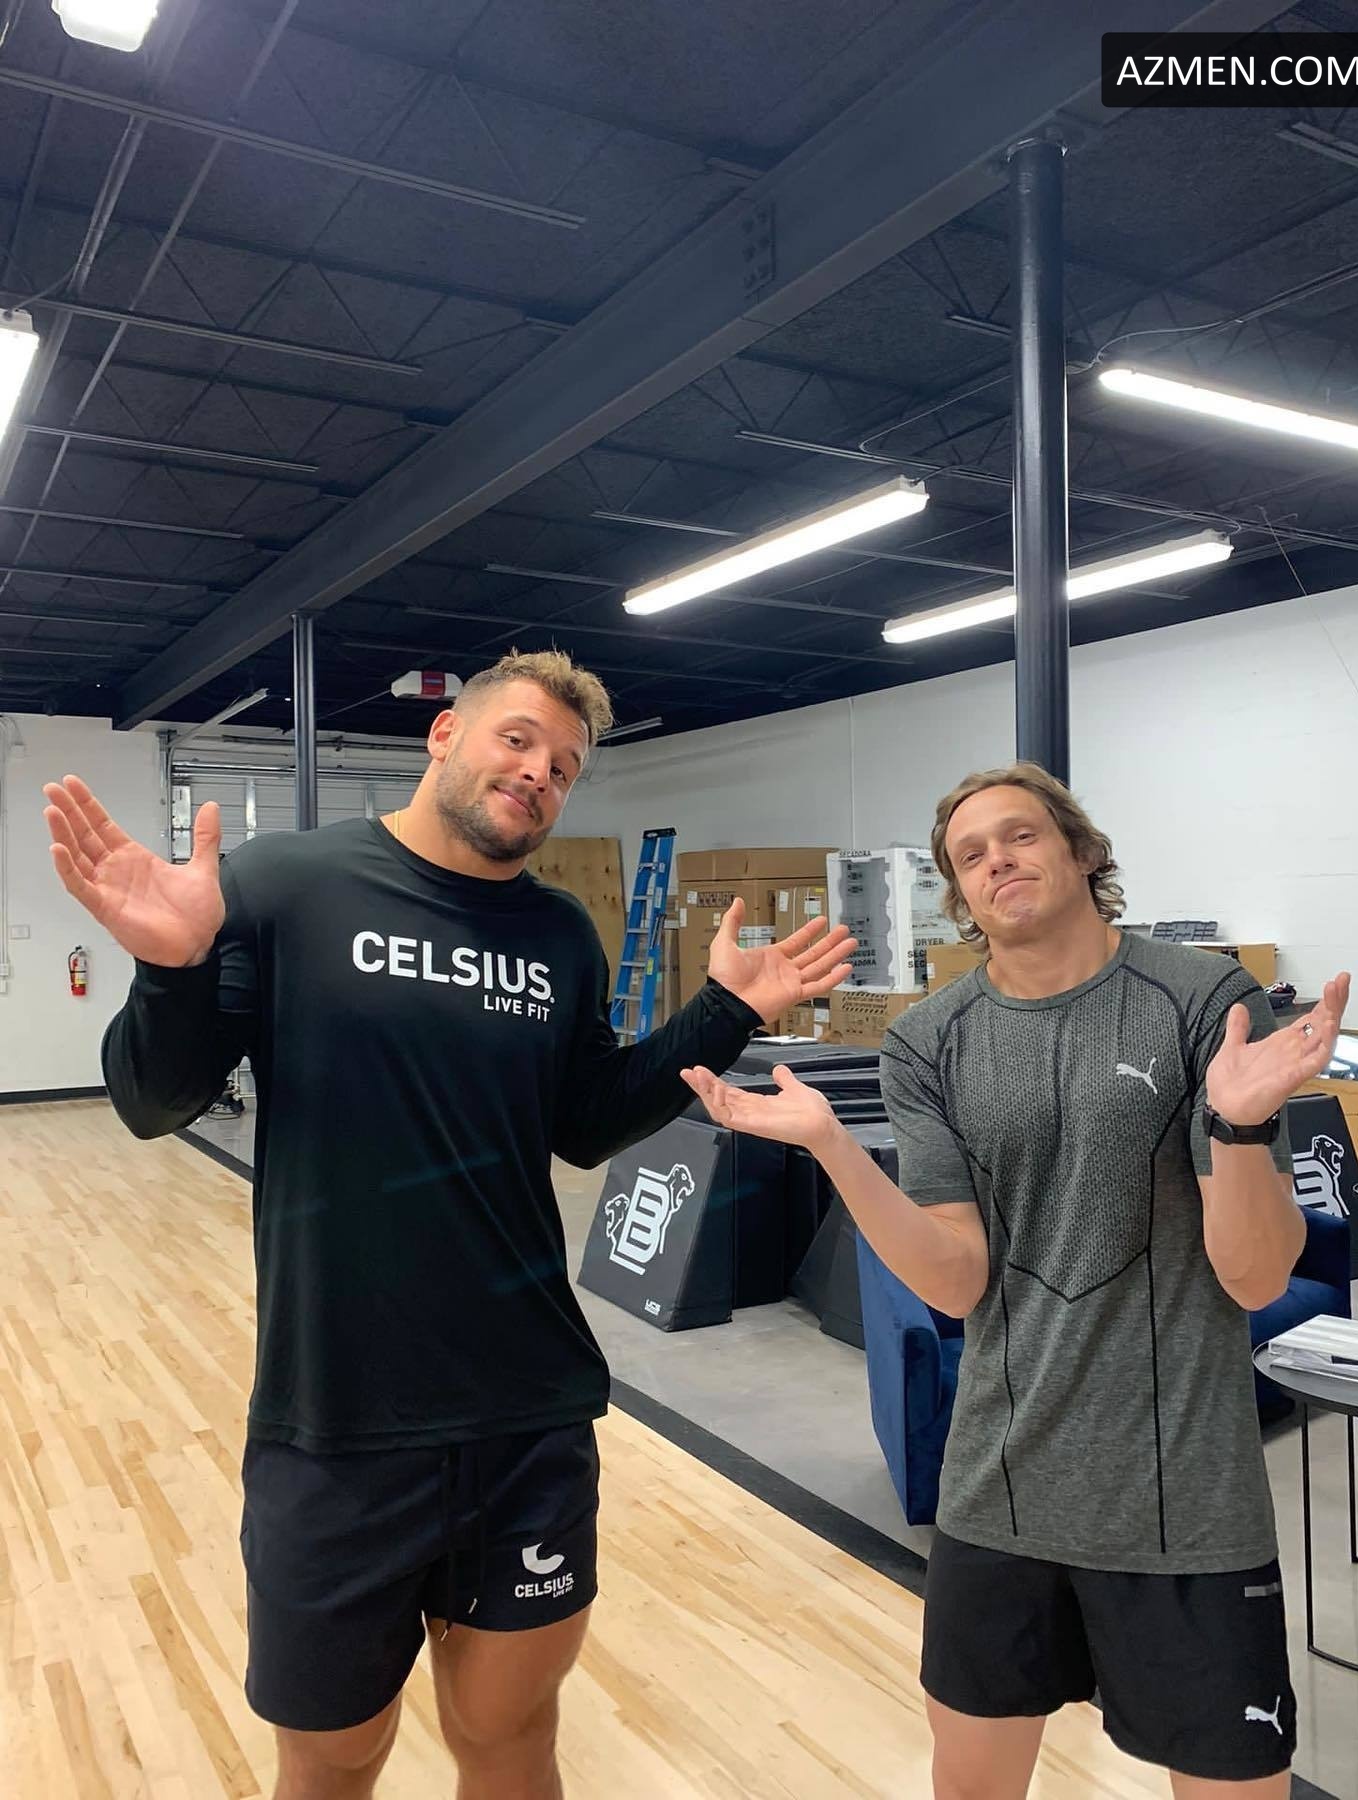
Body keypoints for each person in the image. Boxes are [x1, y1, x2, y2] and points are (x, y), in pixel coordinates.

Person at [44, 649, 855, 1800]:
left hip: (529, 1421)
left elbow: (584, 1124)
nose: (538, 774)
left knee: (511, 1739)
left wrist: (723, 1012)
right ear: (445, 736)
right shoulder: (285, 885)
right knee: (333, 1759)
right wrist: (170, 973)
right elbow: (151, 1104)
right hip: (338, 1427)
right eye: (517, 740)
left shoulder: (561, 936)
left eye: (564, 767)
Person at [683, 761, 1349, 1800]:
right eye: (969, 855)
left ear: (1081, 850)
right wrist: (833, 1148)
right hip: (999, 1488)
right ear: (959, 890)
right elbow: (957, 1282)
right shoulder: (928, 1040)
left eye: (1020, 835)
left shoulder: (1203, 1001)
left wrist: (1241, 1126)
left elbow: (1256, 1276)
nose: (996, 860)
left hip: (1184, 1494)